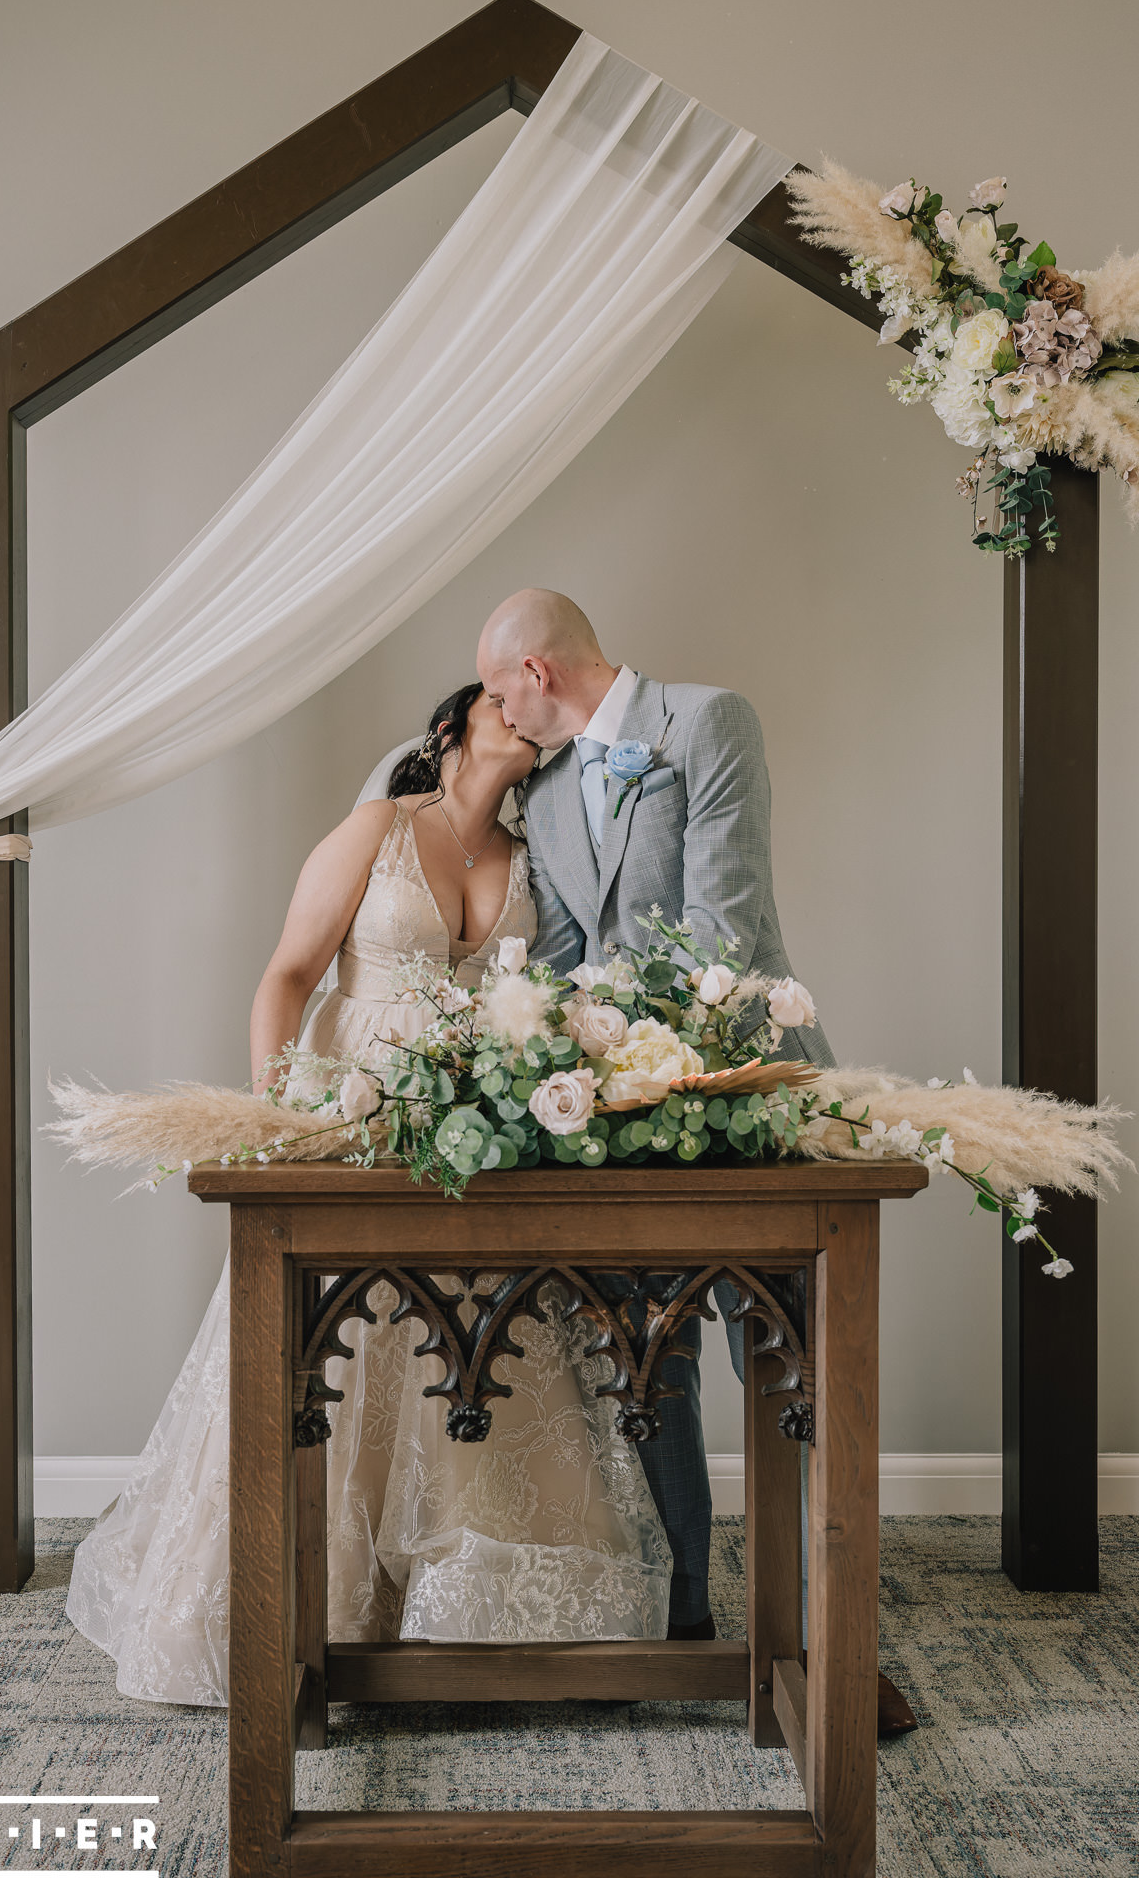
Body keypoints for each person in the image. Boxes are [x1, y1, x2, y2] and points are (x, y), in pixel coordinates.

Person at [65, 684, 671, 1705]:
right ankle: (316, 1608)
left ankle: (466, 1618)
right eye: (499, 701)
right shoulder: (375, 831)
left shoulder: (531, 861)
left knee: (475, 1355)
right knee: (339, 1347)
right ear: (449, 729)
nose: (523, 714)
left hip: (472, 1132)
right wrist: (276, 1122)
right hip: (350, 1113)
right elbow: (287, 976)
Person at [476, 586, 917, 1735]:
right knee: (645, 1364)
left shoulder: (708, 723)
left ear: (536, 672)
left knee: (794, 1370)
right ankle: (680, 1626)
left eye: (497, 688)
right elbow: (563, 959)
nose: (495, 711)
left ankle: (825, 1644)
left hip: (750, 1093)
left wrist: (645, 1058)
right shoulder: (547, 792)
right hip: (621, 1121)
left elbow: (727, 925)